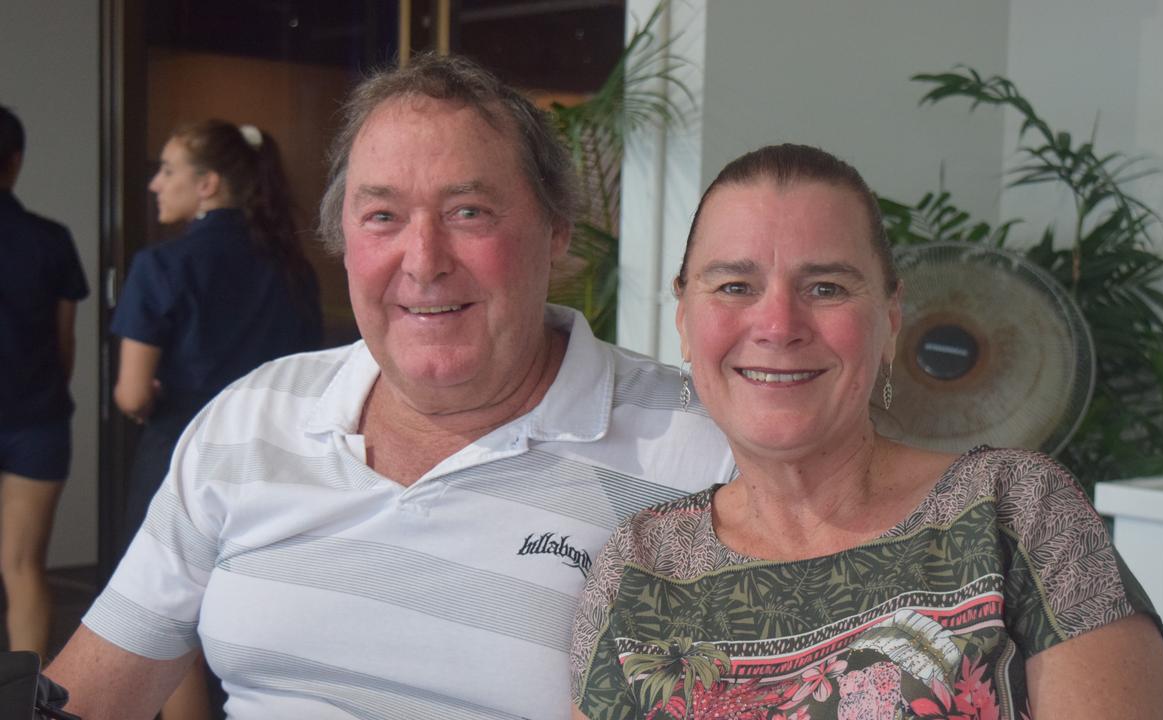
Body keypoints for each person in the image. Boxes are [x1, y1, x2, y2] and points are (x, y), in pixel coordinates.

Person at [45, 54, 734, 719]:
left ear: (556, 231)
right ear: (342, 236)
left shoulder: (702, 449)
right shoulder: (250, 419)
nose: (424, 260)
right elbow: (91, 694)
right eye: (382, 216)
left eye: (468, 212)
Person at [570, 144, 1163, 719]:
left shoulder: (1015, 511)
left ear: (890, 319)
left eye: (826, 287)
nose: (778, 325)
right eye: (735, 286)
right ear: (684, 318)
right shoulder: (638, 569)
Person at [108, 119, 324, 719]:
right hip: (278, 463)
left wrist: (147, 395)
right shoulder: (293, 269)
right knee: (253, 612)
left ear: (207, 184)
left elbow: (129, 394)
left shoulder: (162, 266)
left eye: (168, 170)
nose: (155, 183)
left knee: (171, 624)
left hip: (178, 456)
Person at [0, 104, 89, 662]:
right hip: (36, 418)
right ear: (16, 162)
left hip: (35, 415)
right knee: (23, 564)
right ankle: (24, 704)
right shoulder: (50, 239)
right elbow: (64, 343)